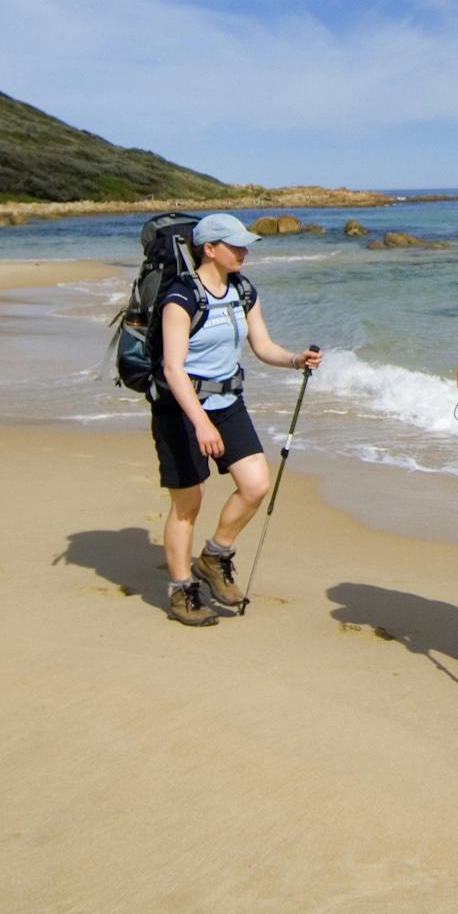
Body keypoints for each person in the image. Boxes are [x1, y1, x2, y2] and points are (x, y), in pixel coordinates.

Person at [153, 212, 321, 626]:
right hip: (180, 408)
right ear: (209, 249)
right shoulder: (180, 297)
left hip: (228, 401)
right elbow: (174, 369)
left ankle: (214, 556)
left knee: (256, 483)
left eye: (245, 244)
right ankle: (180, 591)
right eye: (235, 245)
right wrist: (200, 423)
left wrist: (294, 359)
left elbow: (262, 345)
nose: (244, 252)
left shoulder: (243, 291)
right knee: (187, 503)